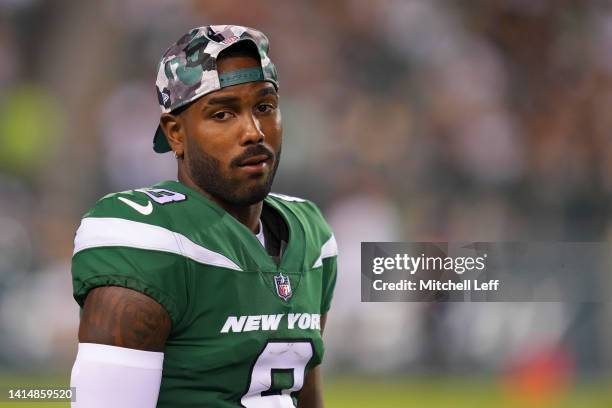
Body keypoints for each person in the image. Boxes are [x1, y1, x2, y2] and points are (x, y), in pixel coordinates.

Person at [69, 25, 338, 408]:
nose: (254, 131)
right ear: (176, 133)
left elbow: (300, 391)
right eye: (223, 113)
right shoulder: (149, 241)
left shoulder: (311, 237)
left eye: (264, 107)